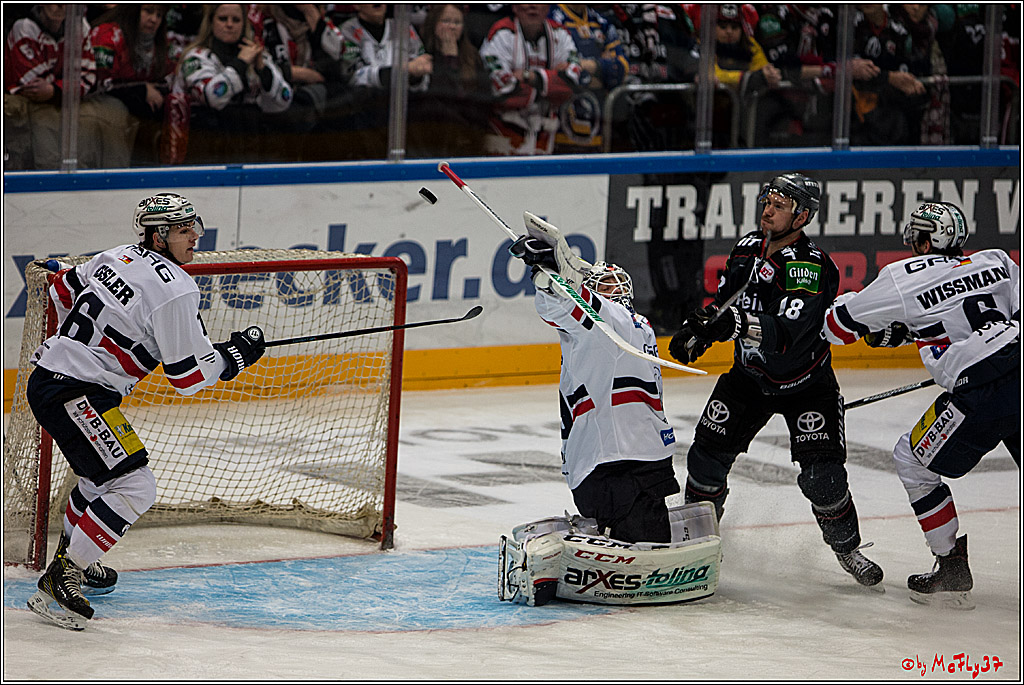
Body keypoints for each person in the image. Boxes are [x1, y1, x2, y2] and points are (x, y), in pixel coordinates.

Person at [25, 193, 267, 631]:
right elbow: (188, 377)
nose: (195, 235)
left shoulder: (114, 255)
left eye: (194, 225)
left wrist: (85, 346)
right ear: (159, 235)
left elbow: (62, 290)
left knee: (98, 480)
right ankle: (63, 576)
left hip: (53, 380)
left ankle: (79, 555)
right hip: (76, 392)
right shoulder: (175, 287)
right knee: (136, 486)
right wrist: (236, 355)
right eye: (183, 229)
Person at [667, 172, 884, 588]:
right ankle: (697, 546)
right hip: (748, 378)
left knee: (823, 479)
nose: (768, 209)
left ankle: (847, 548)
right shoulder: (748, 246)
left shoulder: (809, 266)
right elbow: (727, 301)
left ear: (801, 215)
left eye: (780, 205)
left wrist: (727, 325)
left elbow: (787, 333)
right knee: (705, 459)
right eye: (768, 200)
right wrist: (702, 329)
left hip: (806, 385)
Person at [823, 201, 1019, 608]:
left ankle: (951, 565)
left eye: (918, 234)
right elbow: (964, 314)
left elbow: (837, 328)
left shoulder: (902, 277)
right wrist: (910, 333)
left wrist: (872, 323)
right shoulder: (998, 260)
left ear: (929, 238)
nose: (914, 242)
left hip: (982, 391)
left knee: (911, 460)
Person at [509, 232, 680, 545]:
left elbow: (567, 306)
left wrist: (548, 273)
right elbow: (562, 308)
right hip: (629, 459)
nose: (612, 290)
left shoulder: (616, 322)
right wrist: (548, 275)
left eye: (614, 286)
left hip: (617, 463)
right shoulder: (621, 326)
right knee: (647, 539)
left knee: (644, 546)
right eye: (603, 285)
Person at [171, 3, 293, 164]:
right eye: (223, 19)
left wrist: (263, 70)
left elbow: (284, 100)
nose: (229, 25)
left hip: (249, 149)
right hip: (204, 150)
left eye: (236, 20)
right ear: (211, 22)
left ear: (244, 24)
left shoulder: (256, 56)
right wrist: (240, 63)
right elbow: (213, 96)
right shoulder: (196, 57)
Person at [478, 4, 589, 156]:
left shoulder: (560, 33)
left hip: (546, 137)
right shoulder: (501, 33)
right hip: (504, 134)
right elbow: (500, 90)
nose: (532, 6)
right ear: (515, 7)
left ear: (547, 8)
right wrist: (552, 83)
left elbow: (571, 82)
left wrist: (529, 77)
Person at [4, 4, 96, 169]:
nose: (60, 5)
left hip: (62, 100)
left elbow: (88, 75)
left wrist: (55, 89)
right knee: (46, 132)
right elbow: (34, 86)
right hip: (28, 101)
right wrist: (66, 85)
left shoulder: (80, 27)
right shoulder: (25, 27)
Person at [88, 4, 176, 166]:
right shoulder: (107, 34)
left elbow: (166, 80)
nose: (154, 19)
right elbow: (97, 83)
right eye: (148, 11)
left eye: (159, 15)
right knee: (115, 110)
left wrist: (143, 90)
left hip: (133, 107)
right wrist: (141, 90)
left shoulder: (159, 43)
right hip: (98, 102)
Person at [409, 3, 491, 158]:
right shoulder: (422, 56)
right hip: (429, 141)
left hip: (466, 140)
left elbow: (483, 99)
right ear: (433, 23)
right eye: (446, 21)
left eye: (457, 22)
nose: (452, 27)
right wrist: (449, 60)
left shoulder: (473, 57)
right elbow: (437, 97)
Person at [548, 4, 629, 154]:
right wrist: (599, 74)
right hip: (557, 129)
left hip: (596, 126)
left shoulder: (601, 22)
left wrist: (591, 66)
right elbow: (556, 71)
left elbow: (622, 68)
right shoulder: (550, 17)